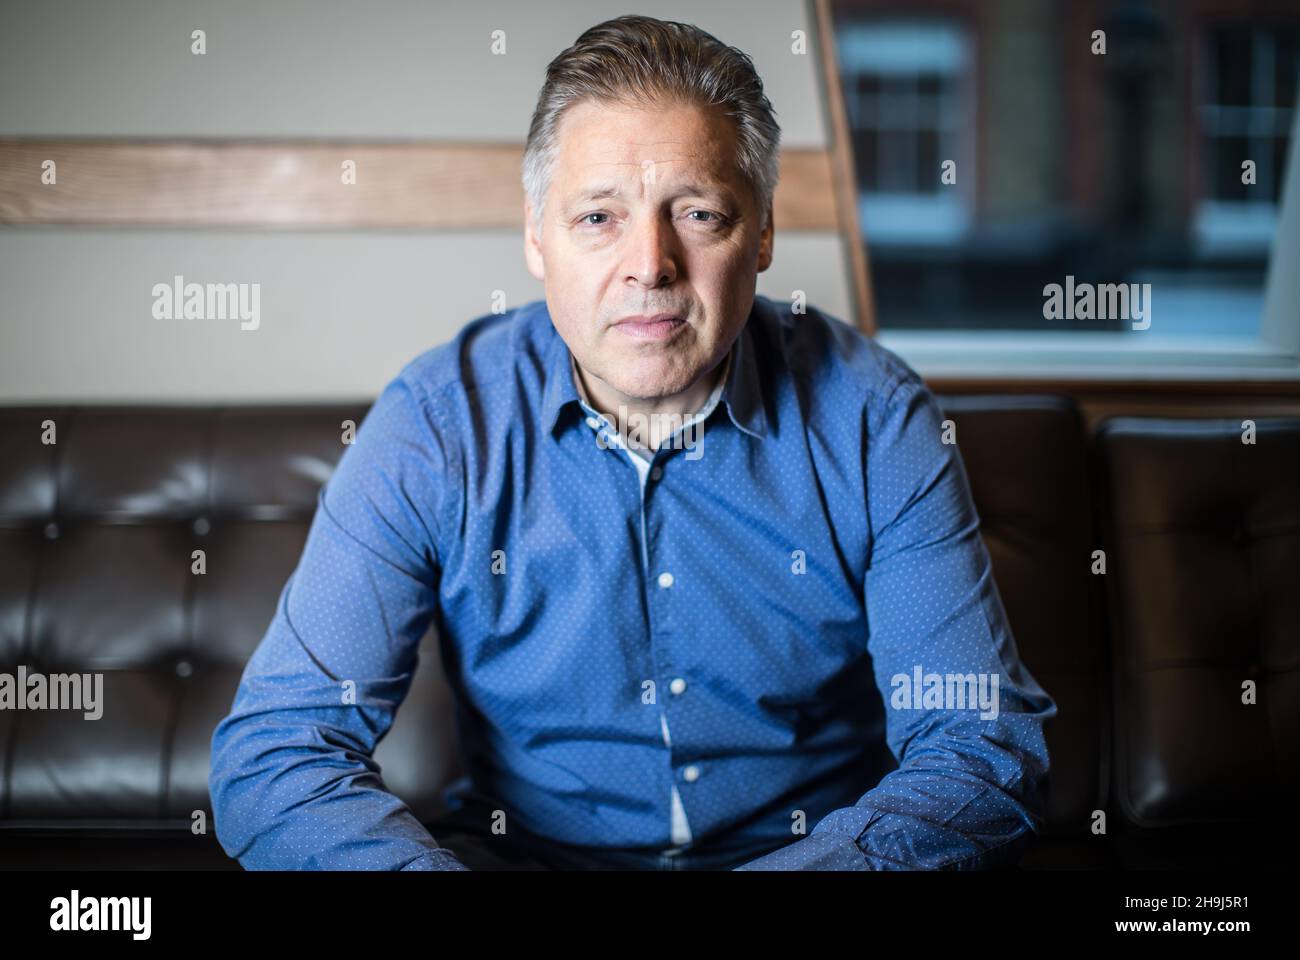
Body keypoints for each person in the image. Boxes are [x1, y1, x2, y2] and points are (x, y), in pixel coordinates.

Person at [209, 14, 1056, 871]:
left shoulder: (876, 418)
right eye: (598, 217)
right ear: (537, 237)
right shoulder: (436, 425)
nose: (650, 264)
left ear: (762, 234)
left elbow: (980, 748)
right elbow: (276, 756)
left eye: (697, 213)